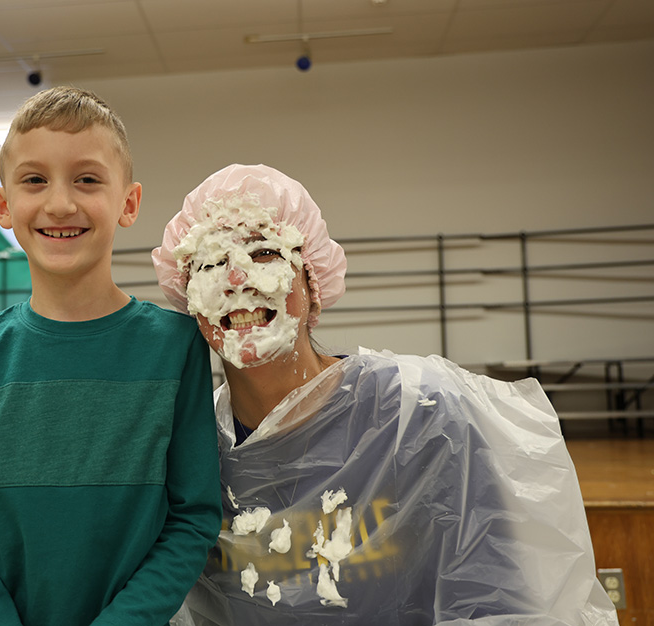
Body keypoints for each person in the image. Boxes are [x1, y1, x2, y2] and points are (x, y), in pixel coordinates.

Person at [152, 164, 619, 625]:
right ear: (190, 300)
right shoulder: (190, 446)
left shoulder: (419, 415)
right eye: (212, 263)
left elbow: (496, 598)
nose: (237, 277)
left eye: (264, 253)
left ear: (313, 288)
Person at [0, 86, 222, 626]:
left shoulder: (176, 348)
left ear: (128, 202)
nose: (60, 203)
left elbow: (192, 517)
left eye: (87, 179)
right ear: (3, 205)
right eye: (35, 180)